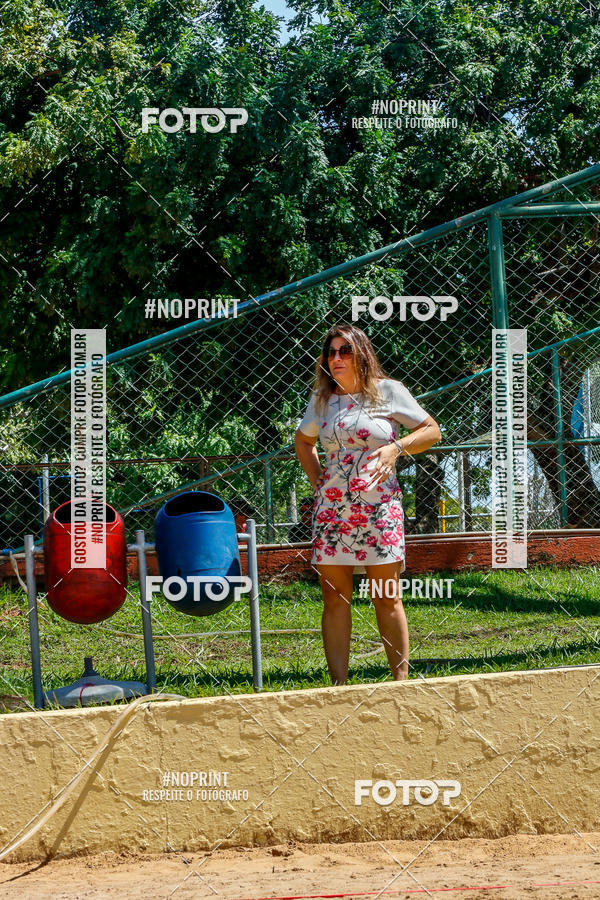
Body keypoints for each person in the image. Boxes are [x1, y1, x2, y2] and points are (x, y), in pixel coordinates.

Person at [294, 323, 441, 685]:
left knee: (385, 595)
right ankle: (339, 687)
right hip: (333, 512)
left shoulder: (388, 392)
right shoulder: (322, 399)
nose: (337, 358)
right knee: (334, 597)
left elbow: (431, 430)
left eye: (345, 350)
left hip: (379, 507)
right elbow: (303, 441)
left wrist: (395, 447)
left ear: (361, 353)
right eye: (331, 352)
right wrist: (318, 480)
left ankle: (400, 683)